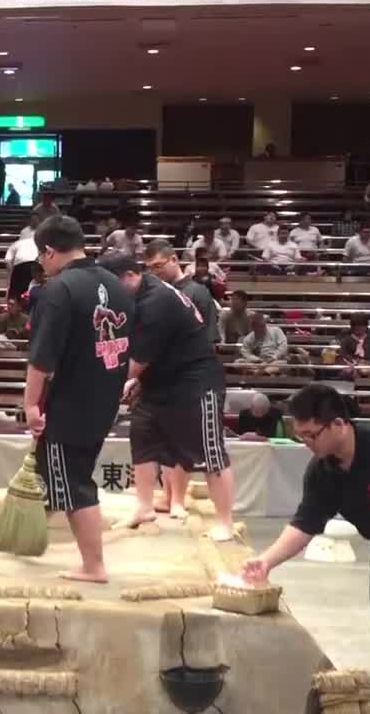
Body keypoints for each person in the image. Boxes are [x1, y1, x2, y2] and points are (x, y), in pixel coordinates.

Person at [242, 384, 370, 712]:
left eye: (312, 434)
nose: (306, 443)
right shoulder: (322, 471)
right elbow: (305, 523)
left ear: (339, 424)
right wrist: (266, 561)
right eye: (301, 436)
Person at [27, 216, 134, 583]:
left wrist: (30, 406)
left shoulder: (59, 289)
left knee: (73, 481)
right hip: (103, 398)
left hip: (70, 402)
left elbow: (41, 359)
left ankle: (93, 565)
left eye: (41, 257)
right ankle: (27, 532)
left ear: (50, 251)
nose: (42, 264)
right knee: (60, 471)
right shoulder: (117, 285)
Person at [99, 252, 235, 540]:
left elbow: (137, 361)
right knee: (143, 436)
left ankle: (225, 522)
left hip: (196, 382)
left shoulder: (156, 301)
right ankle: (144, 506)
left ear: (129, 276)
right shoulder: (138, 295)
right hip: (159, 379)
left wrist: (103, 384)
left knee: (211, 452)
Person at [144, 239, 219, 343]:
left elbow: (210, 338)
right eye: (150, 268)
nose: (154, 272)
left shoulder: (198, 292)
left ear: (173, 260)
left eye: (158, 266)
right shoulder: (152, 295)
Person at [5, 215, 41, 301]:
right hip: (35, 265)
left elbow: (7, 260)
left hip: (21, 266)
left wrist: (11, 275)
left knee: (16, 293)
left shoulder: (16, 243)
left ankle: (15, 306)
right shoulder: (37, 243)